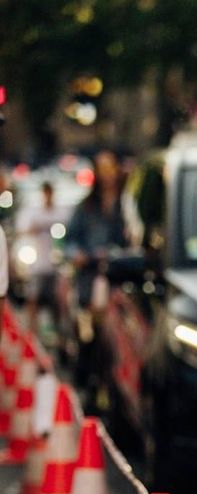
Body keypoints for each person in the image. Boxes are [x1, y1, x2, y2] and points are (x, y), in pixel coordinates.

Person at [65, 150, 126, 394]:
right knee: (90, 337)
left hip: (118, 281)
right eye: (102, 169)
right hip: (91, 283)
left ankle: (106, 384)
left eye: (110, 168)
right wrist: (77, 255)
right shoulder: (86, 207)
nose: (107, 174)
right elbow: (70, 242)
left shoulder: (126, 204)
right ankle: (92, 382)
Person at [16, 180, 61, 337]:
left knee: (56, 301)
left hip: (55, 264)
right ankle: (31, 333)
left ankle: (57, 332)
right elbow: (22, 231)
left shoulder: (59, 213)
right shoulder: (33, 212)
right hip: (37, 263)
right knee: (32, 298)